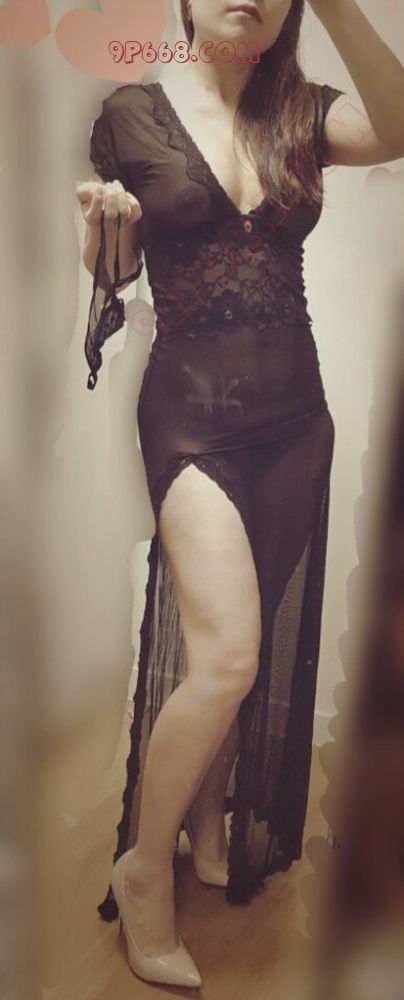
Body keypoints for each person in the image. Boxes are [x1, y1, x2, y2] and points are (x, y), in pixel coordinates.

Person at [76, 0, 404, 988]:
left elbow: (397, 128)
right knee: (227, 655)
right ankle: (144, 866)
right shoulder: (131, 113)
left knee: (244, 650)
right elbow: (113, 275)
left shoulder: (300, 110)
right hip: (191, 418)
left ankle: (209, 822)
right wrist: (104, 241)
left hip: (297, 417)